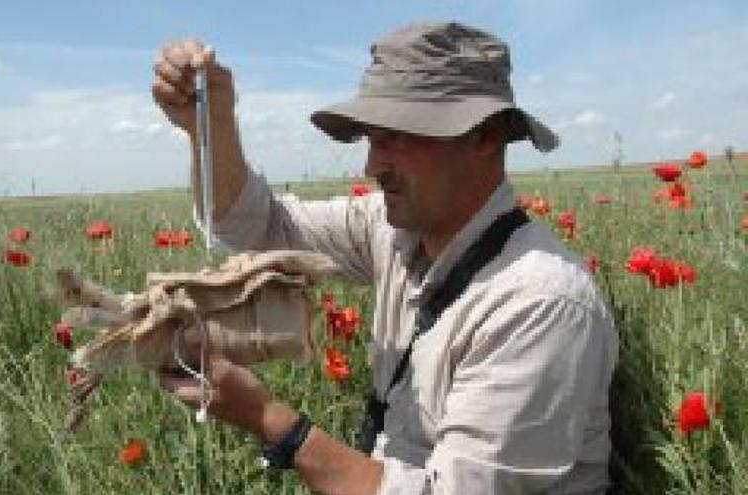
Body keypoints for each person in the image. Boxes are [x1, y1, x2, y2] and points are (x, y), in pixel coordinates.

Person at [152, 21, 618, 494]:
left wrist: (267, 418)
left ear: (485, 137)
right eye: (372, 138)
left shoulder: (537, 304)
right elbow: (257, 229)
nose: (372, 165)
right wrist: (210, 126)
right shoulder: (396, 231)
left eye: (399, 135)